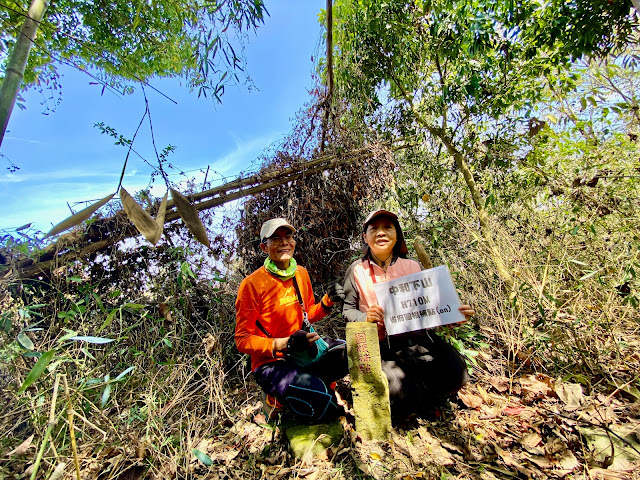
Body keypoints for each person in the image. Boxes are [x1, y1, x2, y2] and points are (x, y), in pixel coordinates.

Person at [342, 209, 475, 419]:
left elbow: (432, 308)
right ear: (364, 237)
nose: (381, 233)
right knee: (401, 395)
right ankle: (416, 394)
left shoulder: (412, 266)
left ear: (397, 234)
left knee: (456, 373)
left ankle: (427, 393)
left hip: (417, 340)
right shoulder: (356, 270)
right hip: (381, 345)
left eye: (388, 228)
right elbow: (347, 310)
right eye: (374, 229)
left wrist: (454, 316)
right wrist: (365, 318)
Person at [235, 218, 348, 422]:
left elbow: (308, 314)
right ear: (264, 247)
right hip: (271, 363)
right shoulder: (251, 285)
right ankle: (275, 399)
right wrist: (283, 344)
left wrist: (328, 301)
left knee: (349, 352)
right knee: (321, 401)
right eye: (276, 239)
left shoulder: (300, 273)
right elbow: (242, 340)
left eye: (288, 237)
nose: (284, 242)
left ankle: (317, 381)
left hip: (303, 352)